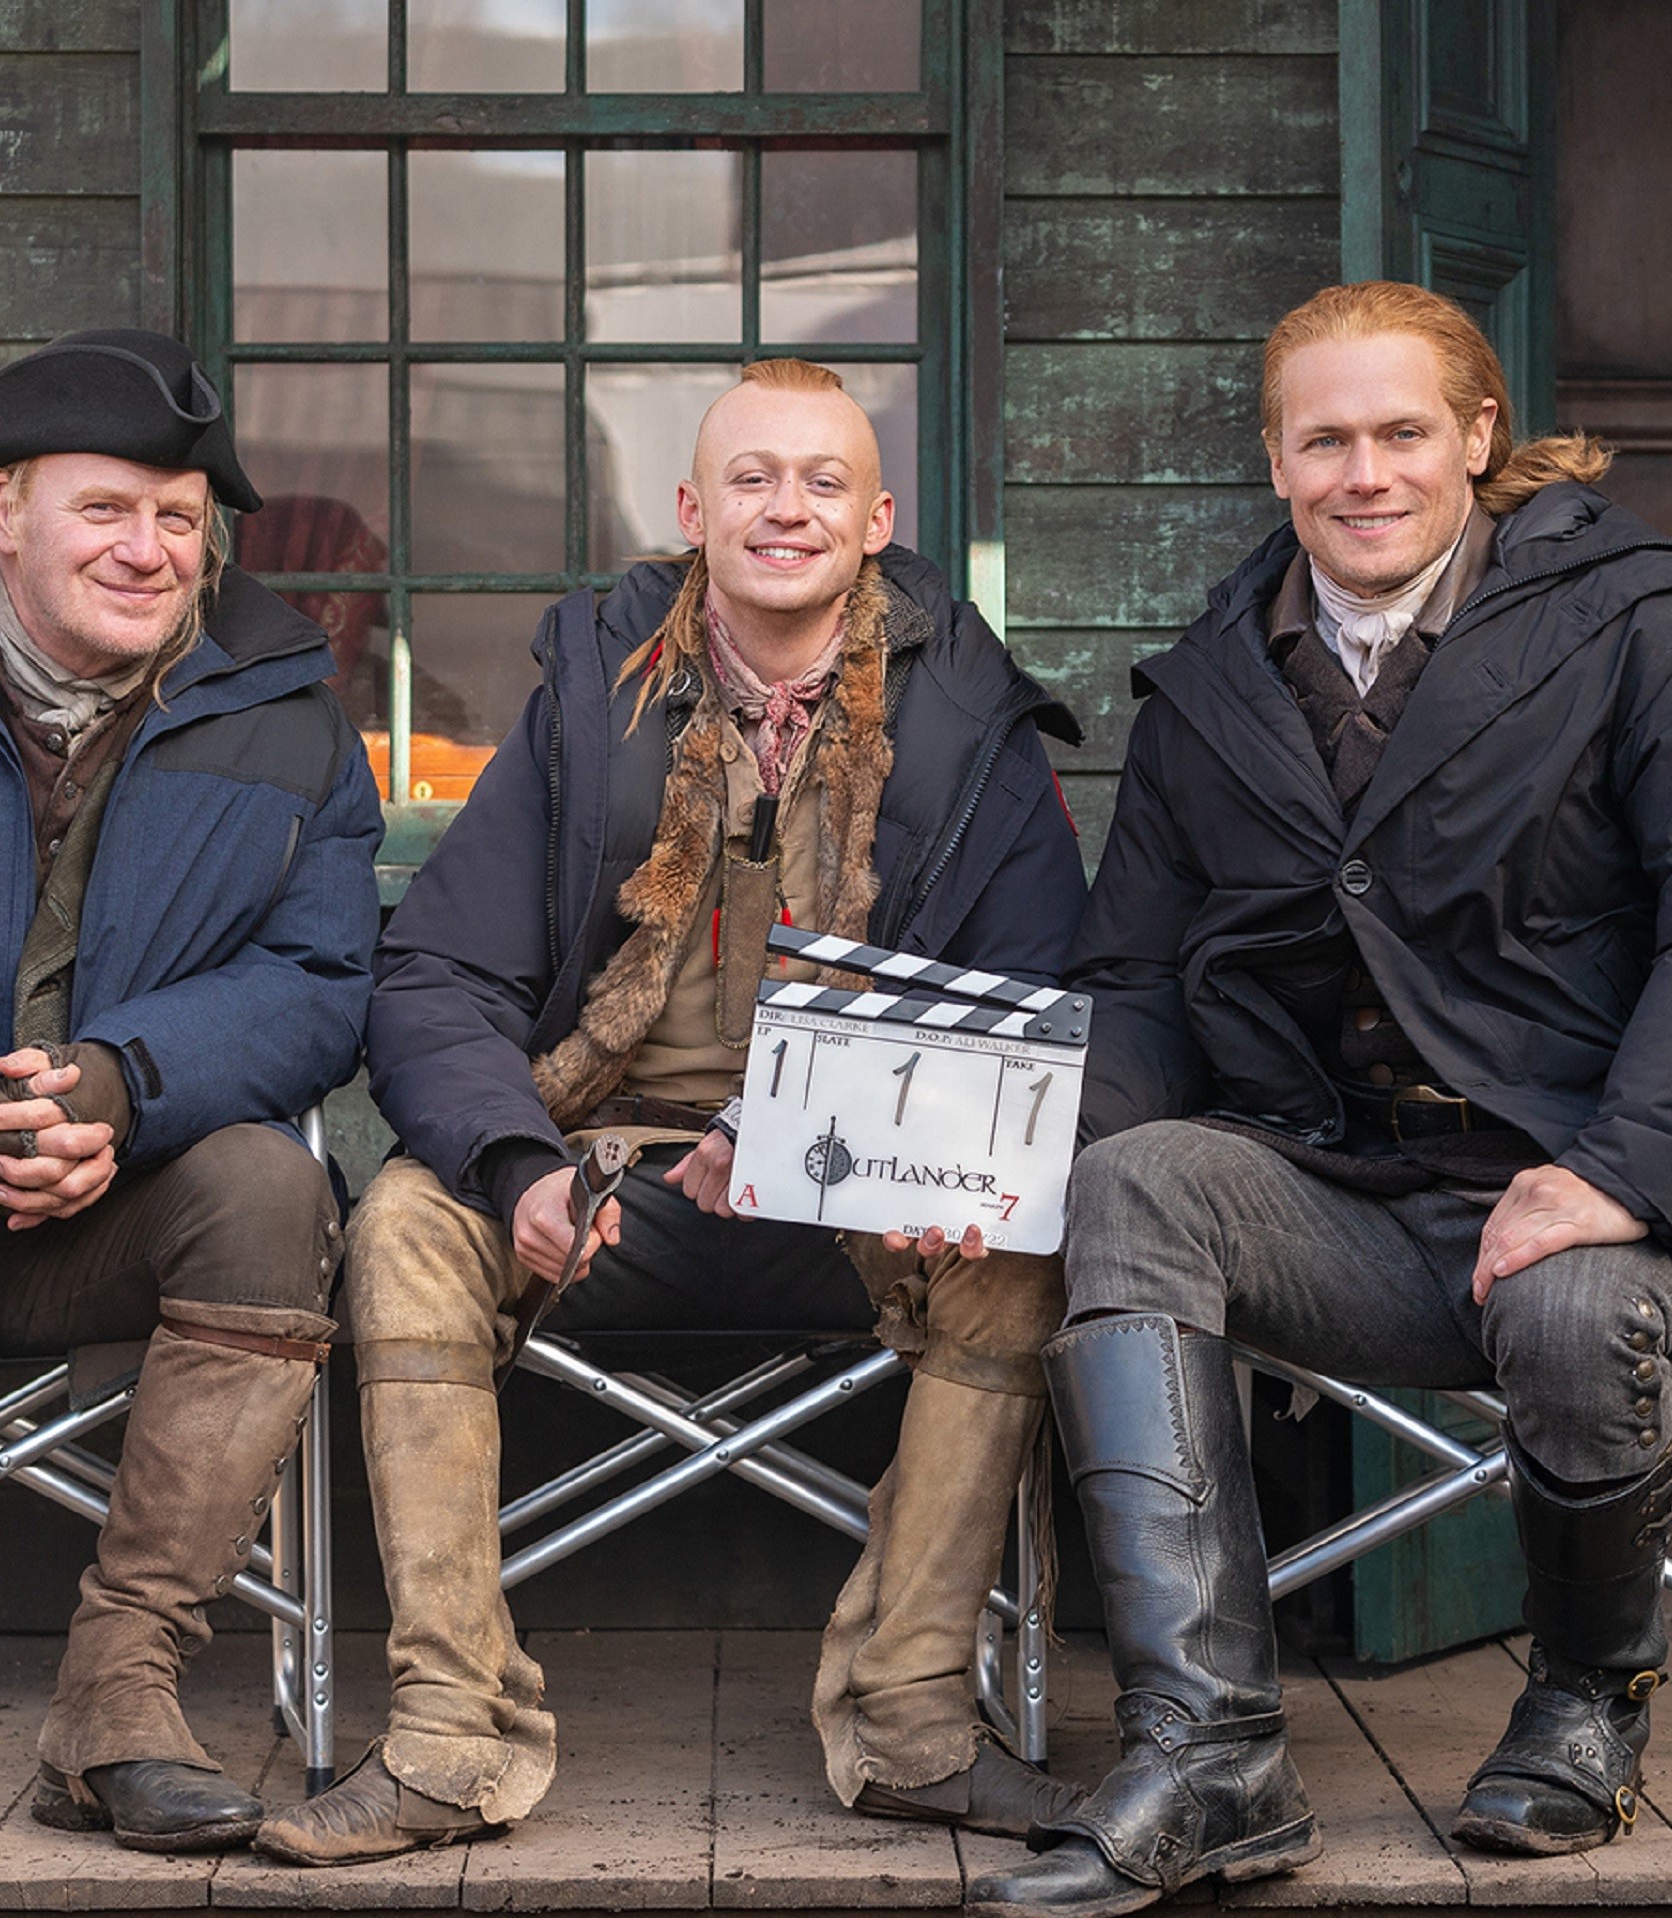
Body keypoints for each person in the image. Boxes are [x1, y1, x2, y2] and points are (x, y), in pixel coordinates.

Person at [969, 281, 1672, 1918]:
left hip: (1610, 1178)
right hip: (1343, 1183)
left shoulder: (1638, 626)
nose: (1366, 472)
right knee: (1130, 1184)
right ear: (1275, 462)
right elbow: (1134, 985)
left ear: (1478, 439)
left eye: (1403, 430)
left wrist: (1620, 1171)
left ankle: (1585, 1695)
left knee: (1567, 1311)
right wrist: (1010, 1165)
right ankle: (1213, 1756)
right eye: (1323, 438)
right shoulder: (1211, 686)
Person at [256, 358, 1090, 1865]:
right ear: (696, 512)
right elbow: (437, 967)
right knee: (402, 1222)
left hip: (853, 1190)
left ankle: (909, 1722)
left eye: (823, 480)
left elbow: (1038, 996)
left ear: (878, 516)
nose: (788, 507)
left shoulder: (971, 721)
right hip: (611, 1172)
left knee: (1019, 1257)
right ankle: (450, 1735)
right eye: (753, 480)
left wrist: (865, 1135)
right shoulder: (592, 696)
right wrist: (515, 1162)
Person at [0, 330, 383, 1857]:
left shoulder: (288, 706)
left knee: (274, 1185)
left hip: (129, 1195)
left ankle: (122, 1691)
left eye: (181, 520)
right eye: (109, 509)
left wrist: (118, 1085)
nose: (151, 548)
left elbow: (321, 978)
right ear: (6, 507)